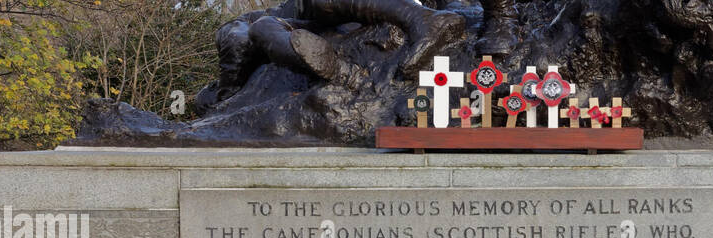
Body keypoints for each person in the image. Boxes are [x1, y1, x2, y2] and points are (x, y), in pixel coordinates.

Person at [197, 0, 519, 110]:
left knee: (258, 26)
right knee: (260, 26)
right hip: (319, 24)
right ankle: (337, 70)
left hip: (366, 17)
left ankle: (338, 69)